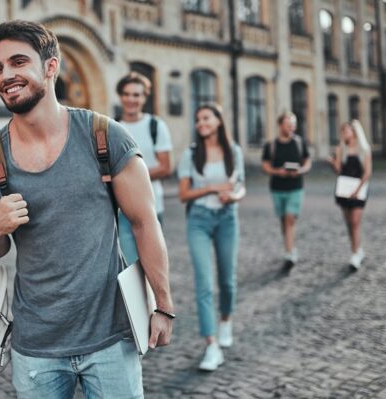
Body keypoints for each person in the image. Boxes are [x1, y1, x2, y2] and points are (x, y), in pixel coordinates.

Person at [0, 20, 173, 398]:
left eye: (18, 62)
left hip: (111, 338)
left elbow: (144, 223)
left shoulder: (104, 137)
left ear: (50, 66)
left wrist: (163, 305)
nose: (6, 76)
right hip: (36, 347)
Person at [178, 104, 245, 372]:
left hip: (228, 217)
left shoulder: (233, 151)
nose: (201, 123)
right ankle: (211, 345)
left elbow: (239, 186)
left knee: (227, 280)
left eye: (206, 118)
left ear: (218, 120)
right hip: (199, 221)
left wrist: (234, 196)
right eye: (198, 119)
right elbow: (184, 194)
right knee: (204, 283)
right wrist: (213, 188)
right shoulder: (191, 154)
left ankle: (226, 320)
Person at [115, 71, 173, 265]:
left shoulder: (155, 125)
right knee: (131, 268)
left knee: (152, 266)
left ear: (144, 97)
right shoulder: (112, 126)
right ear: (121, 96)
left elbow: (165, 167)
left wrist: (129, 177)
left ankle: (155, 297)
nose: (131, 99)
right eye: (127, 94)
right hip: (122, 211)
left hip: (152, 207)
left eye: (137, 95)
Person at [261, 111, 312, 269]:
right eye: (289, 123)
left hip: (295, 186)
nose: (292, 127)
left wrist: (302, 170)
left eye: (294, 124)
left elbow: (307, 161)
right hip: (277, 187)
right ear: (280, 125)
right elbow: (265, 165)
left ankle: (290, 253)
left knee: (290, 218)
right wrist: (278, 172)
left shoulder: (299, 143)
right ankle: (289, 246)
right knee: (283, 219)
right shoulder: (271, 145)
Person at [327, 120, 372, 269]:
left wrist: (357, 190)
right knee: (349, 223)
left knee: (355, 221)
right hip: (344, 190)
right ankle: (357, 248)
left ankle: (354, 255)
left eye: (347, 131)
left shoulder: (364, 149)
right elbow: (339, 170)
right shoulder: (341, 149)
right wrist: (333, 162)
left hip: (359, 190)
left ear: (354, 132)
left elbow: (367, 173)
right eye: (343, 131)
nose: (344, 134)